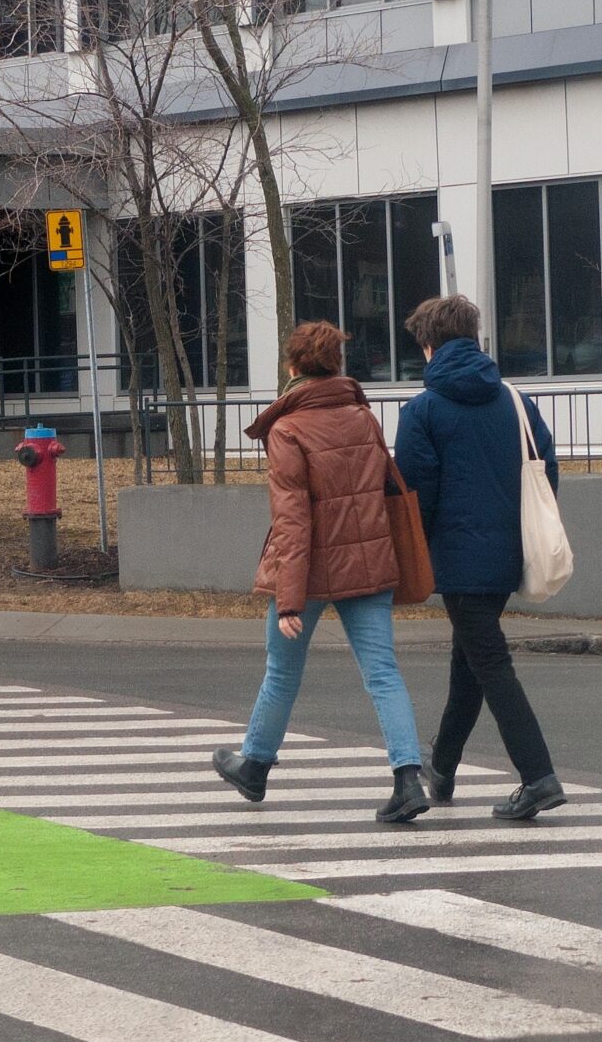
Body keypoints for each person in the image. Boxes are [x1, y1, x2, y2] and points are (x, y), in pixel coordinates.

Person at [212, 320, 431, 825]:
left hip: (306, 573)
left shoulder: (287, 428)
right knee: (383, 672)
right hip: (369, 563)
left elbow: (292, 517)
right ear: (336, 365)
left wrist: (289, 598)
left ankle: (255, 766)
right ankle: (407, 778)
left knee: (282, 671)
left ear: (293, 367)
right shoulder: (362, 417)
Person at [393, 293, 568, 822]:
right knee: (468, 662)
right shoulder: (516, 401)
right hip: (507, 555)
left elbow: (416, 495)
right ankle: (441, 769)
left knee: (490, 664)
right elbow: (546, 471)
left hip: (458, 558)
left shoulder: (421, 410)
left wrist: (414, 560)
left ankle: (538, 777)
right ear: (473, 338)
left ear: (428, 346)